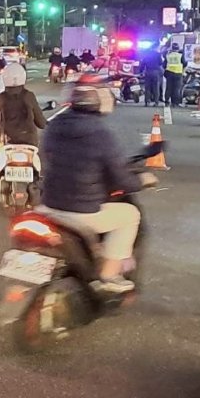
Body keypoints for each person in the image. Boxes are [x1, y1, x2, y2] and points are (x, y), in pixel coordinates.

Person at [37, 74, 149, 293]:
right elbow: (122, 177)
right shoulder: (100, 133)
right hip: (81, 212)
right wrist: (141, 180)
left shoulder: (55, 125)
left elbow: (47, 158)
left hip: (48, 205)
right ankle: (109, 274)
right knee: (130, 215)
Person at [0, 63, 47, 146]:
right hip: (30, 142)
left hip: (7, 143)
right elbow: (41, 124)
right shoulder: (29, 96)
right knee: (35, 159)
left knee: (2, 156)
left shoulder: (0, 98)